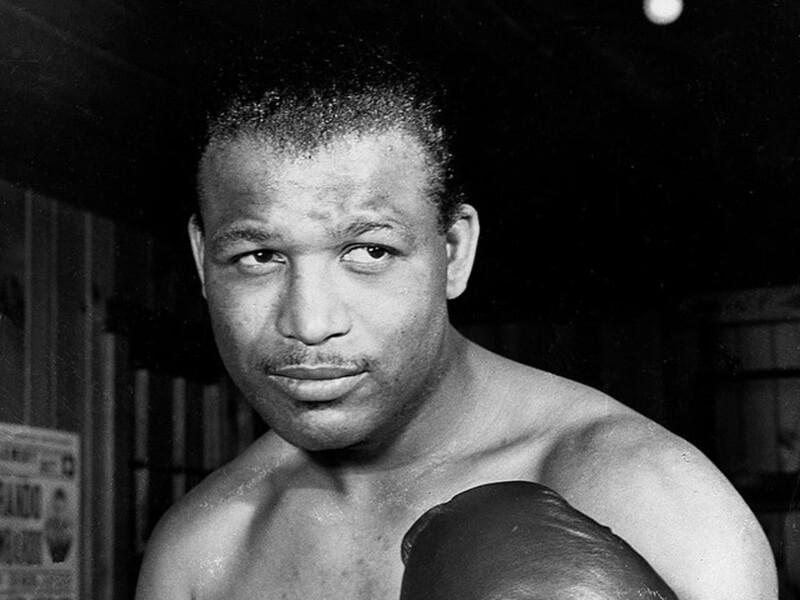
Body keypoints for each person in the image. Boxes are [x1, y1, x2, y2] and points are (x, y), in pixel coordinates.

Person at [135, 35, 777, 599]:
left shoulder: (651, 499)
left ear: (453, 251)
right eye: (259, 255)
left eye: (370, 251)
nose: (309, 321)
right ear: (201, 256)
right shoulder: (199, 551)